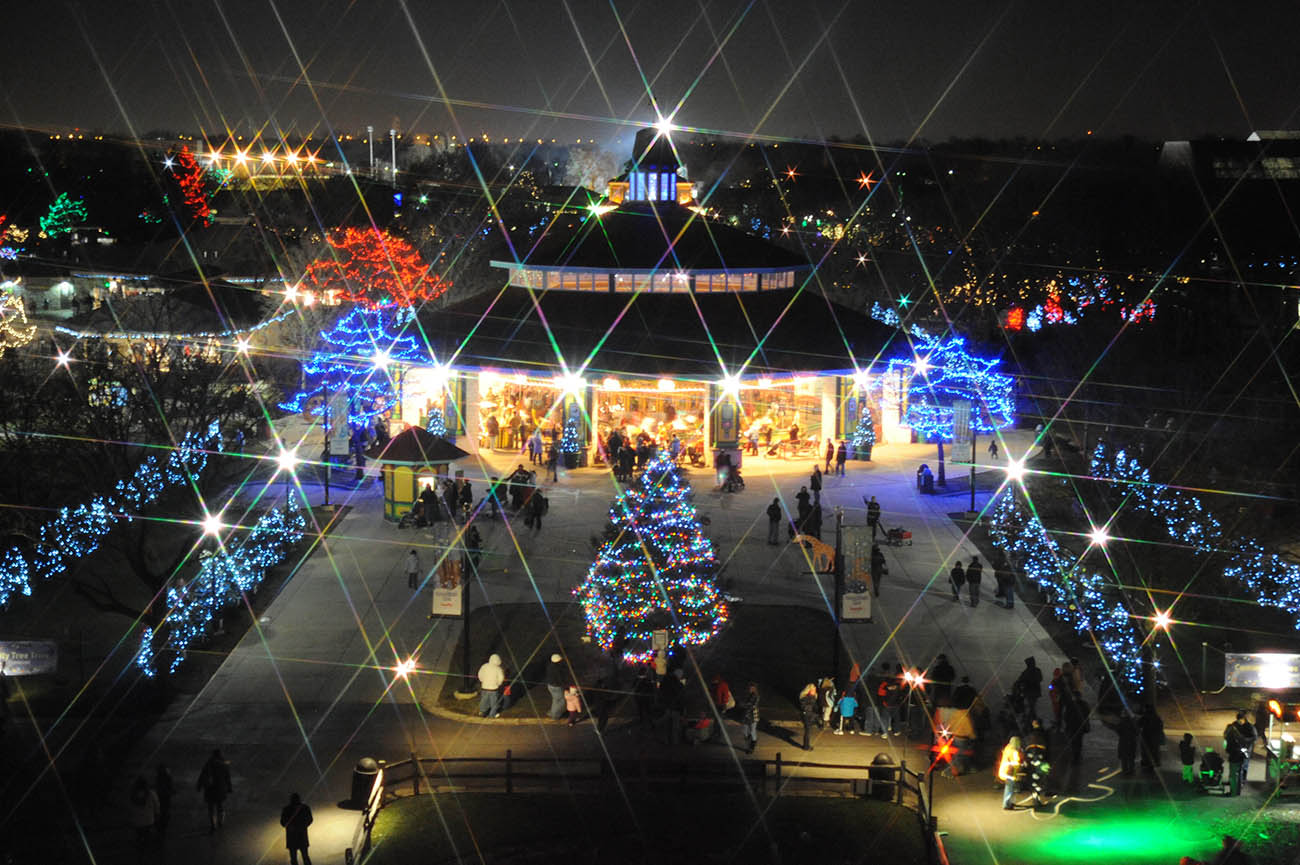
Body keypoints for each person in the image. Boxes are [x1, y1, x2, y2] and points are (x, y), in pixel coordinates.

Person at [196, 749, 232, 833]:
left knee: (211, 808)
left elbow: (202, 775)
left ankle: (213, 824)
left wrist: (199, 786)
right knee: (220, 806)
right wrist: (229, 788)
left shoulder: (208, 764)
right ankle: (220, 822)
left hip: (210, 789)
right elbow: (227, 778)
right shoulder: (224, 765)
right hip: (220, 789)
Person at [1223, 711, 1255, 795]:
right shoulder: (1234, 726)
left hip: (1244, 751)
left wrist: (1244, 741)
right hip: (1236, 751)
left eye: (1240, 720)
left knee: (1243, 768)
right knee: (1237, 770)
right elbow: (1227, 736)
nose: (1239, 722)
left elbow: (1253, 737)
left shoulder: (1249, 727)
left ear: (1244, 719)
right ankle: (1237, 786)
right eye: (1238, 720)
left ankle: (1240, 784)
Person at [128, 775, 159, 860]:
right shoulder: (151, 794)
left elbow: (130, 808)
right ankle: (147, 854)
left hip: (137, 821)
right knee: (147, 837)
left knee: (139, 836)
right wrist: (156, 815)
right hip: (148, 821)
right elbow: (157, 806)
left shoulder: (132, 795)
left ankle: (140, 853)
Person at [280, 792, 314, 865]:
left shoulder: (286, 809)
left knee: (293, 858)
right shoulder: (305, 808)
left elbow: (283, 822)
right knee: (305, 857)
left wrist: (290, 827)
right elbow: (310, 819)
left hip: (291, 837)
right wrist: (302, 826)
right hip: (302, 836)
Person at [477, 653, 505, 718]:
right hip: (493, 689)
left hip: (484, 687)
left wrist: (482, 681)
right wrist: (498, 684)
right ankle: (492, 714)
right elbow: (501, 678)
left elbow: (480, 674)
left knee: (484, 700)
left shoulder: (484, 666)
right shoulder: (498, 669)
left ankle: (482, 711)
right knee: (494, 702)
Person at [1138, 703, 1165, 773]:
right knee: (1154, 751)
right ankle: (1152, 764)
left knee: (1146, 751)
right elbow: (1160, 726)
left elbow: (1139, 724)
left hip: (1147, 737)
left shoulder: (1145, 717)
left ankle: (1147, 764)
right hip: (1154, 738)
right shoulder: (1156, 717)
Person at [998, 736, 1023, 810]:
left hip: (1004, 770)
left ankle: (1008, 802)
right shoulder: (1014, 751)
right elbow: (1016, 763)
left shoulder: (1008, 748)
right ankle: (1007, 804)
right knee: (1009, 788)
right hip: (1009, 772)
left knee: (1008, 788)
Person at [1115, 710, 1139, 776]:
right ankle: (1131, 770)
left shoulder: (1121, 722)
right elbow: (1137, 731)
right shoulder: (1133, 722)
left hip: (1123, 741)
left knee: (1124, 757)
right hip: (1132, 741)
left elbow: (1118, 730)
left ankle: (1125, 770)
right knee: (1131, 756)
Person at [546, 653, 567, 720]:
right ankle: (555, 715)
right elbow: (560, 678)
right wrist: (565, 685)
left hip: (550, 685)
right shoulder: (557, 669)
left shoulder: (549, 666)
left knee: (555, 700)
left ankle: (552, 712)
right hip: (557, 686)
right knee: (561, 701)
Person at [154, 764, 173, 835]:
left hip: (161, 795)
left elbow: (157, 786)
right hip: (165, 796)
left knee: (162, 810)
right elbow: (170, 786)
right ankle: (163, 824)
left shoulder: (158, 777)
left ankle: (160, 824)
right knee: (165, 810)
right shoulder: (168, 777)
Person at [740, 683, 760, 754]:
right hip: (746, 716)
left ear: (755, 689)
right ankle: (749, 745)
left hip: (753, 716)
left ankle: (751, 747)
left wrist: (743, 705)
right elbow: (744, 703)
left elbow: (752, 705)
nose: (750, 689)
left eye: (752, 688)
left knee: (752, 731)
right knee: (745, 732)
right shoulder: (747, 695)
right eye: (750, 688)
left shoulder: (756, 696)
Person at [799, 683, 819, 750]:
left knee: (808, 731)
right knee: (808, 731)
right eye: (814, 689)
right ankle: (806, 746)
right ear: (810, 690)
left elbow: (815, 707)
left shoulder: (812, 697)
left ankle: (806, 745)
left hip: (810, 715)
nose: (815, 691)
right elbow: (805, 707)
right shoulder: (806, 697)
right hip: (807, 715)